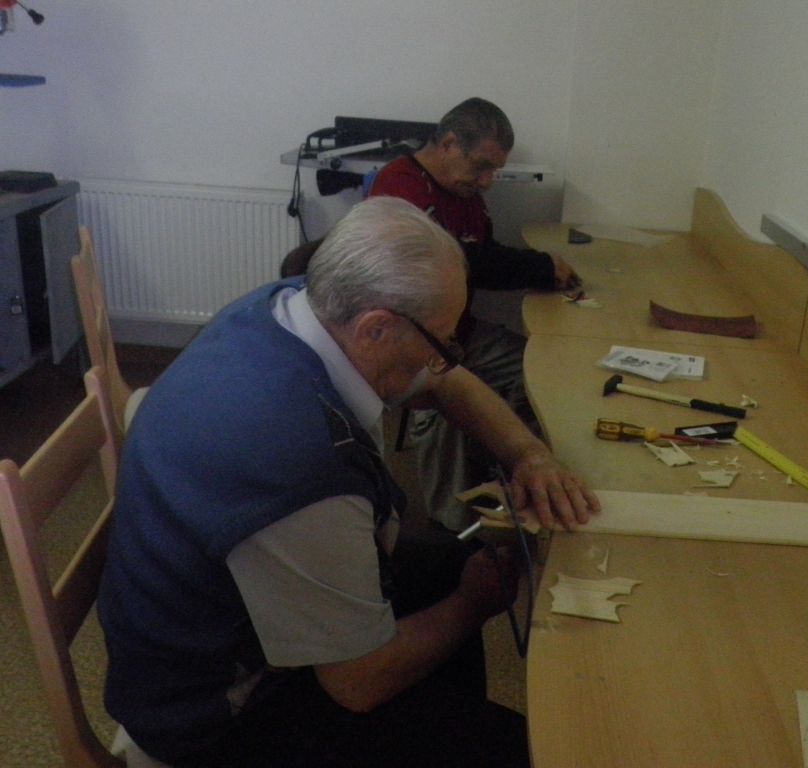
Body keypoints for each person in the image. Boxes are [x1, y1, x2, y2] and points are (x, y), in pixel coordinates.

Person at [98, 196, 599, 768]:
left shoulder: (290, 305)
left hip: (198, 621)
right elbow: (357, 683)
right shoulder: (299, 466)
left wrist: (529, 455)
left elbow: (446, 381)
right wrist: (474, 604)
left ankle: (438, 709)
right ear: (376, 329)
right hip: (211, 712)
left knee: (446, 564)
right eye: (440, 342)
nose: (442, 360)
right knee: (523, 750)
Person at [367, 97, 580, 530]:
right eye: (481, 167)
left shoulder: (464, 193)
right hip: (412, 341)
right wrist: (539, 267)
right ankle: (451, 528)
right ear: (448, 143)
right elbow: (463, 263)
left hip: (457, 332)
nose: (487, 181)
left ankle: (511, 468)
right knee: (445, 405)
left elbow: (484, 252)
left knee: (540, 367)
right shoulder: (401, 186)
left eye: (493, 170)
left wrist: (544, 269)